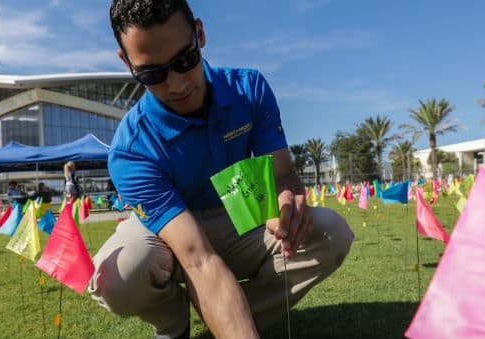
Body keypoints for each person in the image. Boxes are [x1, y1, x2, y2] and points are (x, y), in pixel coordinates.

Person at [88, 1, 354, 338]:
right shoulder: (131, 150)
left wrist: (287, 195)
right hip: (168, 231)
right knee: (119, 277)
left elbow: (283, 172)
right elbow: (198, 257)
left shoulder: (249, 89)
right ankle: (174, 323)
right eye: (152, 74)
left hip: (239, 218)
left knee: (332, 232)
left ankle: (232, 317)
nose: (177, 85)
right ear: (127, 63)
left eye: (185, 61)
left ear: (200, 33)